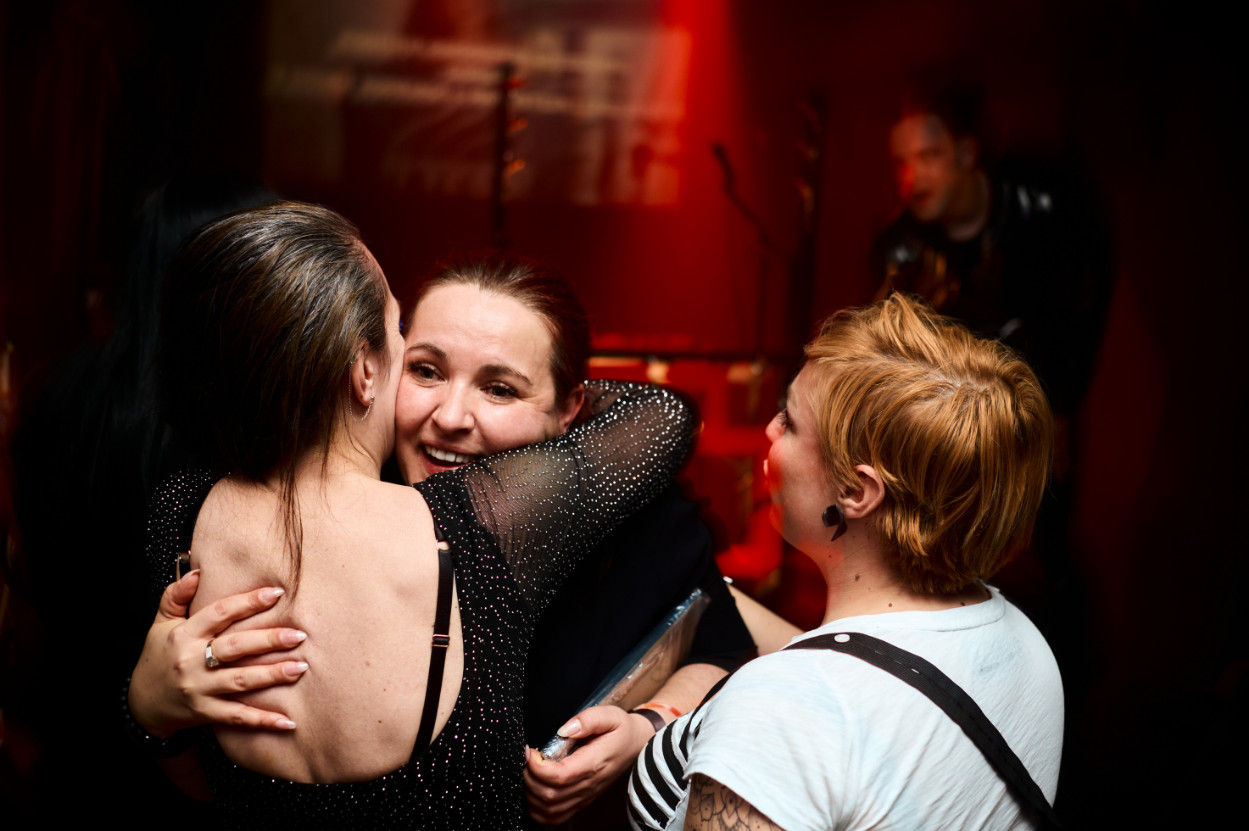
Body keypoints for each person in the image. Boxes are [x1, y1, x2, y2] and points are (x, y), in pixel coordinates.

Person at [129, 252, 753, 828]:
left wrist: (649, 727)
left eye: (500, 388)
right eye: (425, 371)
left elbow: (724, 649)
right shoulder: (305, 518)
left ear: (571, 412)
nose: (451, 418)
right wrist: (152, 712)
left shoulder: (634, 512)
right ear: (376, 371)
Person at [628, 293, 1063, 830]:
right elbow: (847, 666)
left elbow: (817, 699)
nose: (769, 430)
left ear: (857, 491)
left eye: (790, 421)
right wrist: (680, 575)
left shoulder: (779, 713)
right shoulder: (1021, 641)